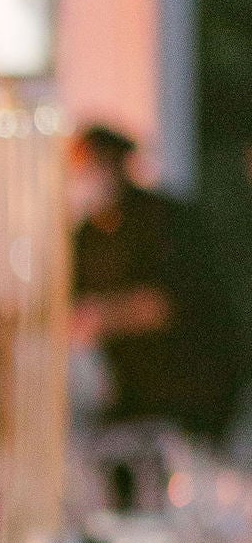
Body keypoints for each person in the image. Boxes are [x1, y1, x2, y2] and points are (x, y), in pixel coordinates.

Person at [66, 122, 235, 444]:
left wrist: (105, 316)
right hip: (124, 393)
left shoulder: (164, 219)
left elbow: (168, 303)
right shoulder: (85, 236)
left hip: (185, 390)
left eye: (92, 165)